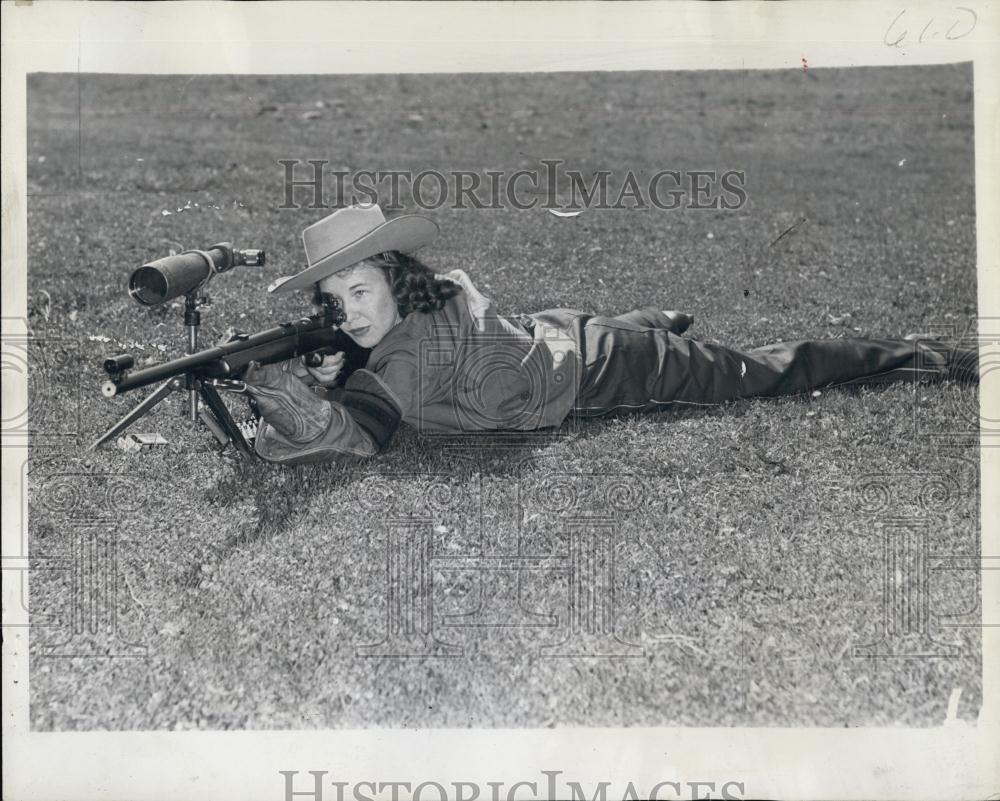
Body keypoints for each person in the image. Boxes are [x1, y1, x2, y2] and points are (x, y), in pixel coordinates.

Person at [243, 203, 978, 465]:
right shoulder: (418, 304)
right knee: (608, 330)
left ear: (392, 274)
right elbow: (388, 360)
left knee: (759, 372)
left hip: (607, 369)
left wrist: (308, 415)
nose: (352, 311)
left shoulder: (402, 352)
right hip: (562, 332)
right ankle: (658, 321)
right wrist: (331, 365)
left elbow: (364, 432)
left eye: (361, 288)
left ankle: (922, 356)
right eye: (335, 300)